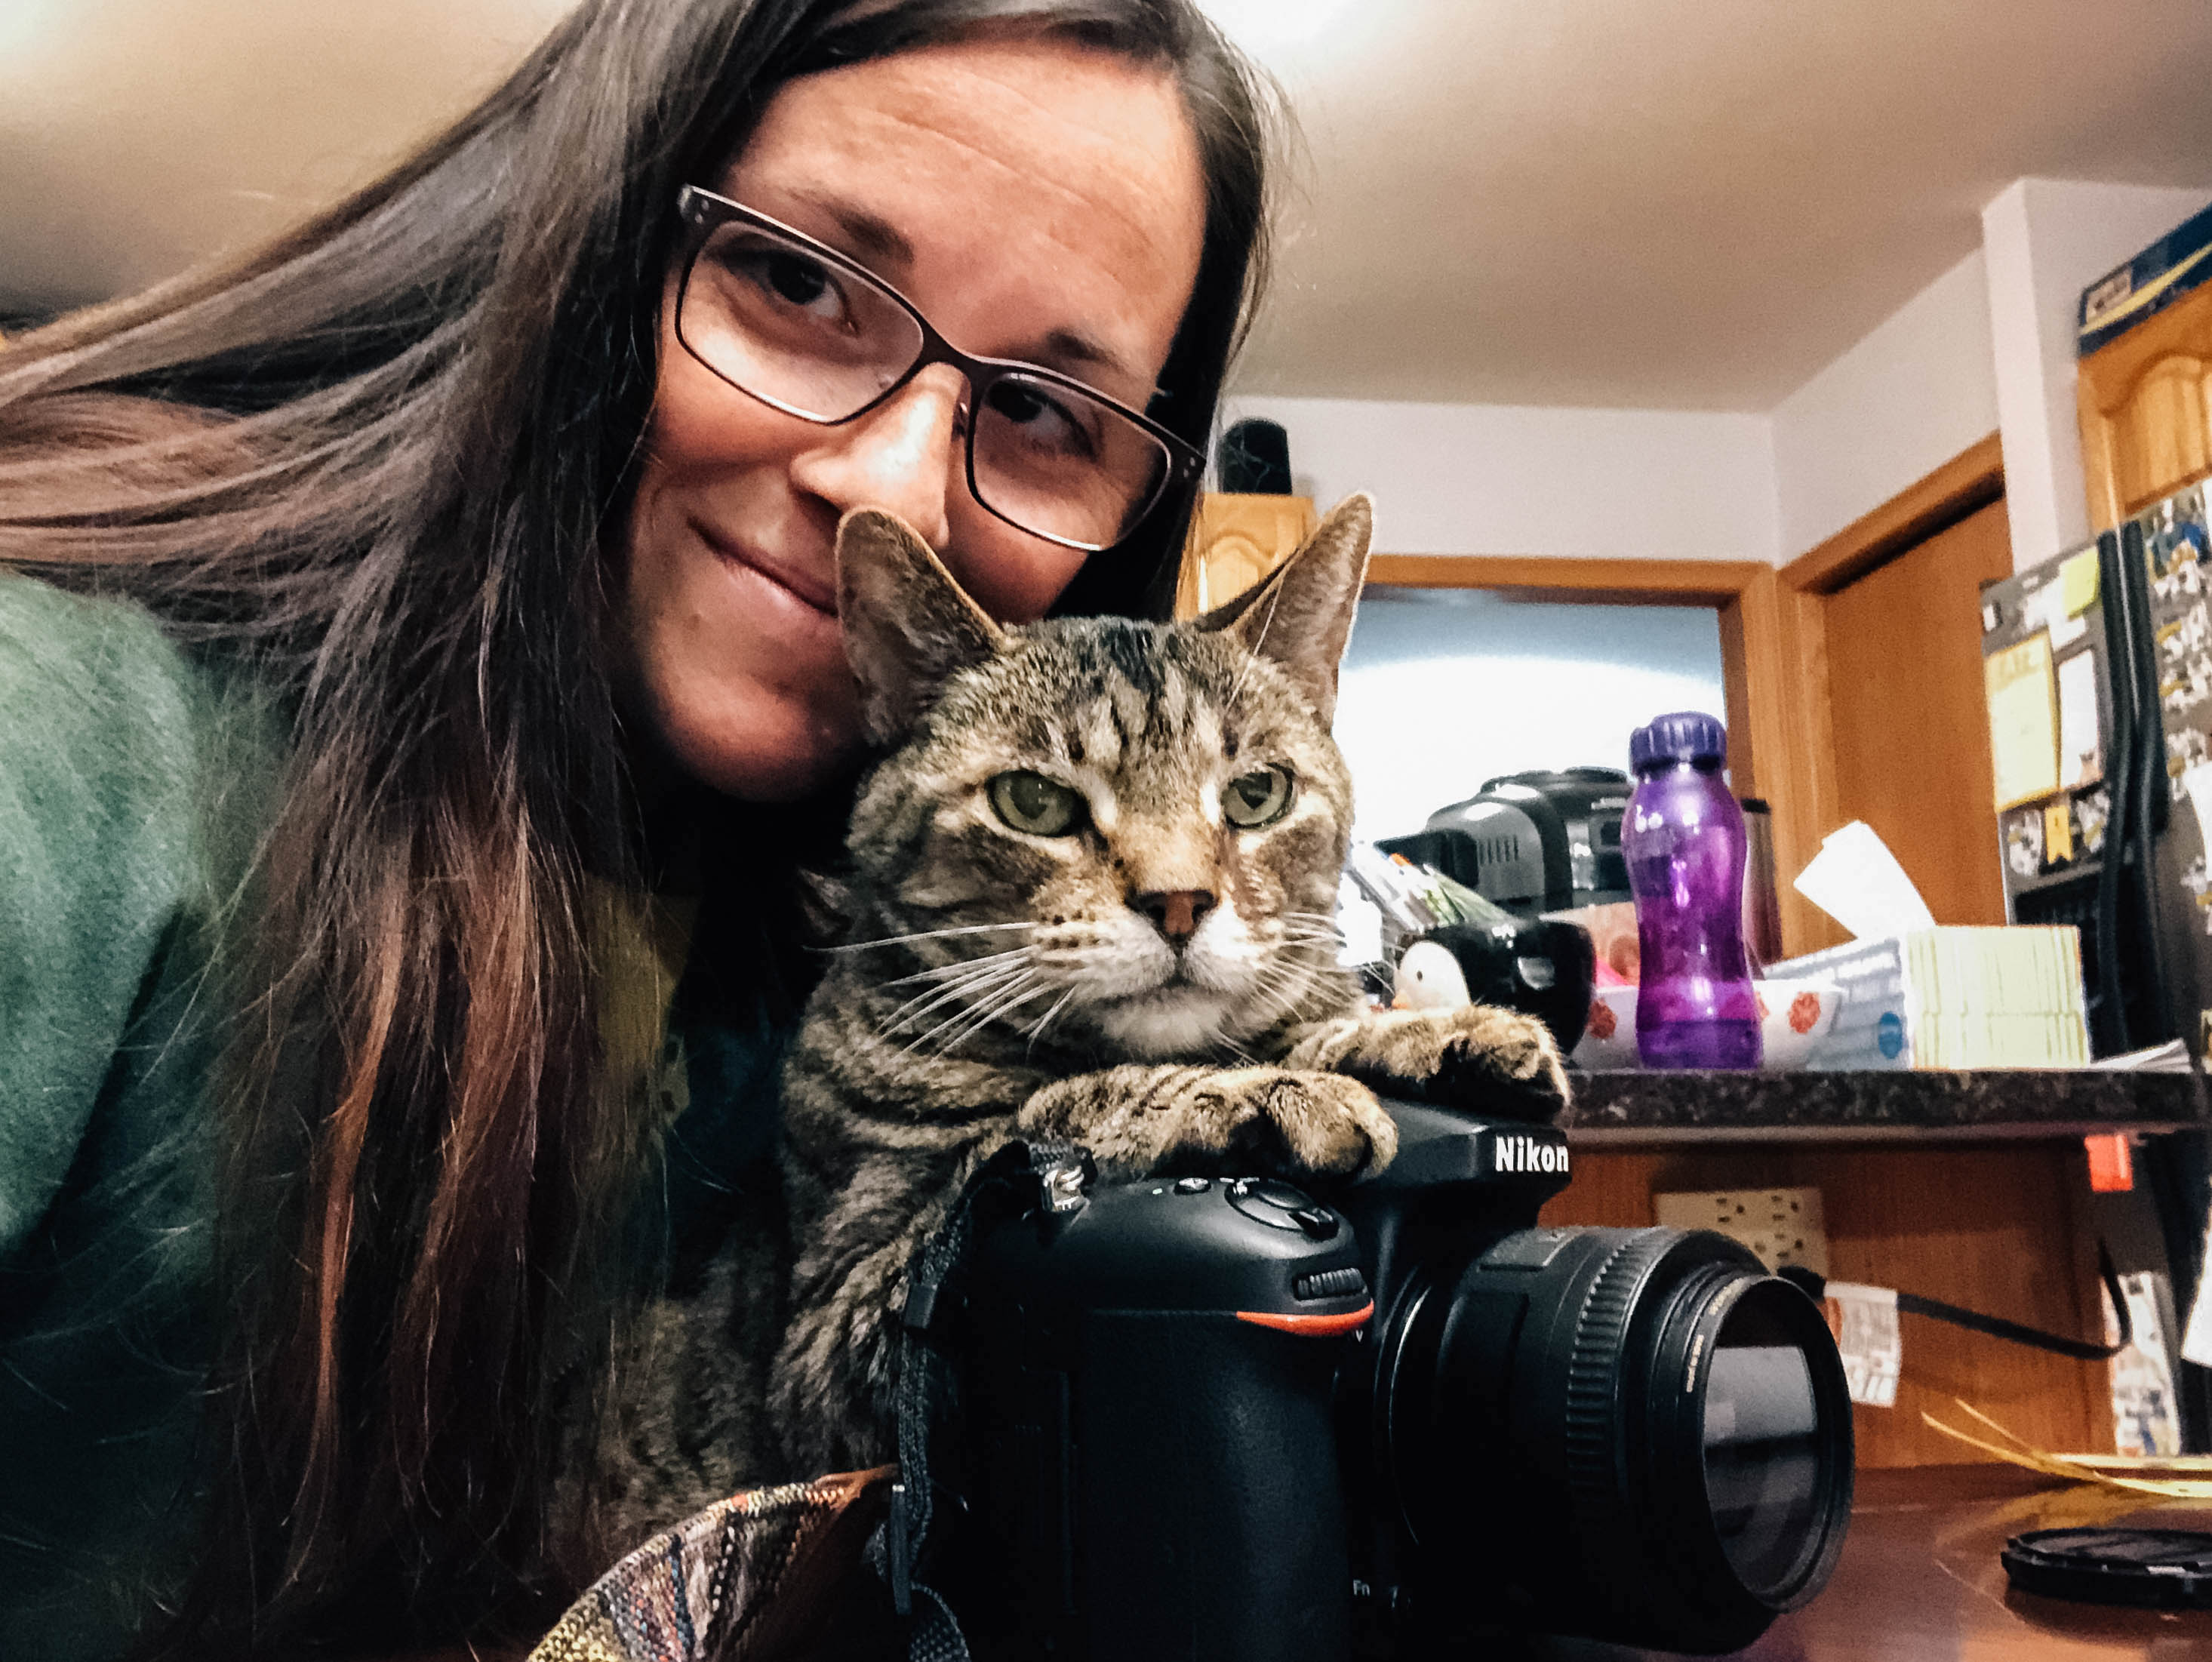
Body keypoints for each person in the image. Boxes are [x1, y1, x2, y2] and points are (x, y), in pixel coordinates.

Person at [0, 2, 1275, 1655]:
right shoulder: (64, 745)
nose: (890, 487)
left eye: (1041, 411)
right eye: (798, 283)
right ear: (590, 239)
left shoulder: (846, 922)